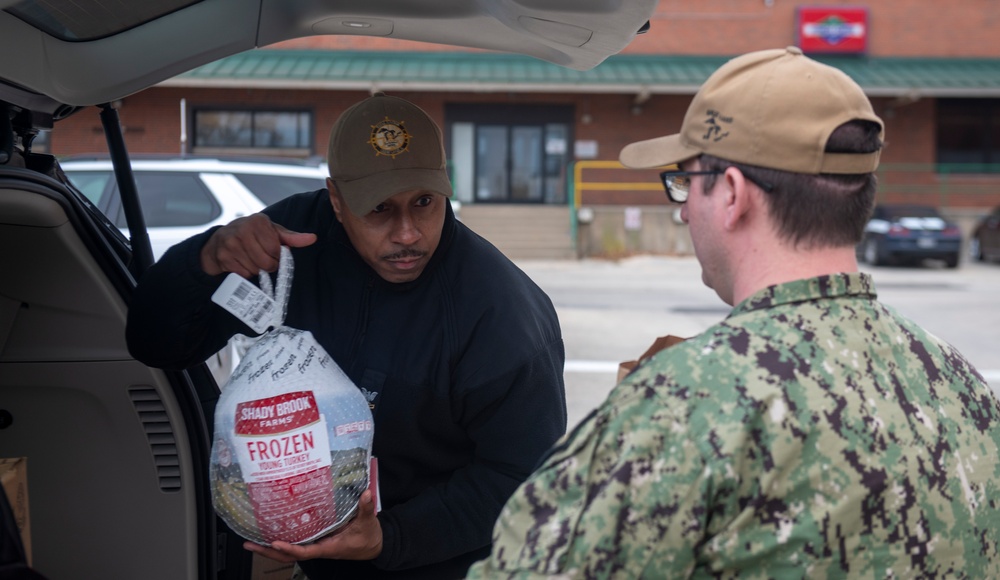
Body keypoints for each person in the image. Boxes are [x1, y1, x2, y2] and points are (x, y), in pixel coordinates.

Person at [467, 47, 1000, 578]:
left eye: (685, 183)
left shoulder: (683, 403)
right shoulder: (962, 385)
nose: (682, 209)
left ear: (731, 194)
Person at [125, 92, 567, 578]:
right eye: (378, 208)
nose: (407, 233)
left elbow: (524, 480)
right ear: (335, 200)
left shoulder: (500, 314)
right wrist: (204, 260)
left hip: (448, 562)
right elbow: (157, 345)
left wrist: (389, 537)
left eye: (424, 202)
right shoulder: (290, 249)